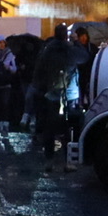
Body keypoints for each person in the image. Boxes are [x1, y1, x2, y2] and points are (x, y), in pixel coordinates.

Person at [31, 26, 76, 158]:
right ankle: (68, 157)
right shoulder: (70, 49)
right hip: (69, 92)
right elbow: (82, 58)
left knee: (49, 126)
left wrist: (40, 87)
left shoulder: (48, 50)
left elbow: (39, 70)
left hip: (51, 92)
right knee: (68, 125)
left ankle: (49, 157)